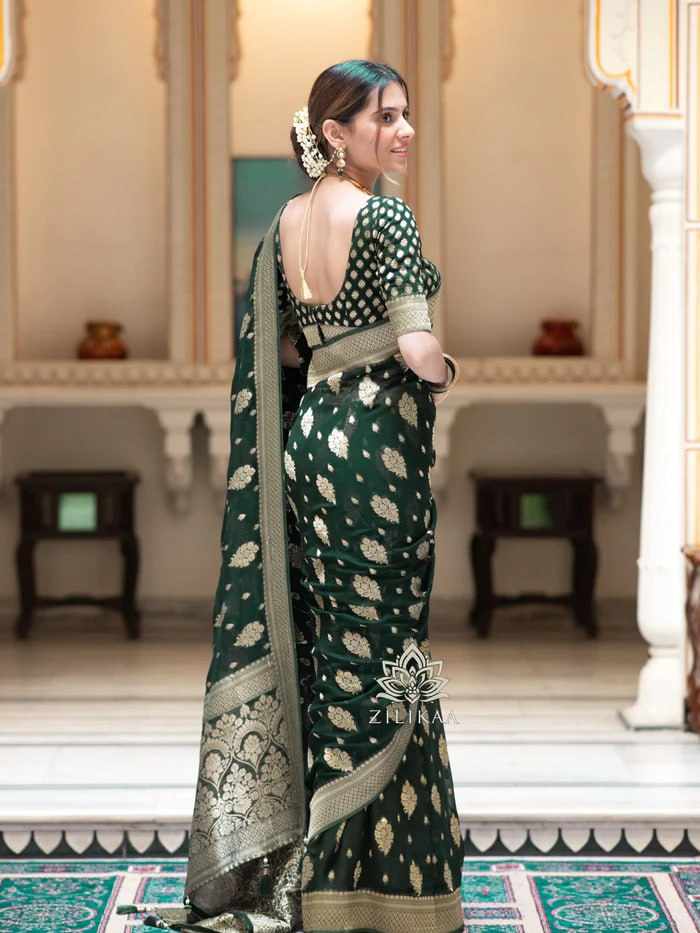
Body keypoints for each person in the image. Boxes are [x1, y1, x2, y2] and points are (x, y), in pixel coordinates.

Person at [122, 59, 462, 933]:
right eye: (385, 118)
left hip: (311, 444)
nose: (403, 131)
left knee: (334, 645)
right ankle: (384, 887)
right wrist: (441, 372)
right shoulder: (384, 216)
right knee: (388, 651)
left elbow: (281, 356)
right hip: (374, 452)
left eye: (406, 114)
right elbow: (416, 345)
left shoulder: (285, 223)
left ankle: (321, 881)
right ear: (336, 133)